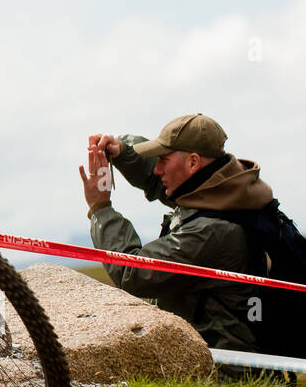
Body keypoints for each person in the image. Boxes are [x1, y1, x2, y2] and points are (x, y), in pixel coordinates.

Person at [79, 113, 268, 354]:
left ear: (193, 162)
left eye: (164, 160)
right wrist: (124, 151)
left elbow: (133, 272)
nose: (157, 169)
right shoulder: (226, 191)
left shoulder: (209, 232)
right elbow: (159, 181)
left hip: (224, 368)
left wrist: (100, 209)